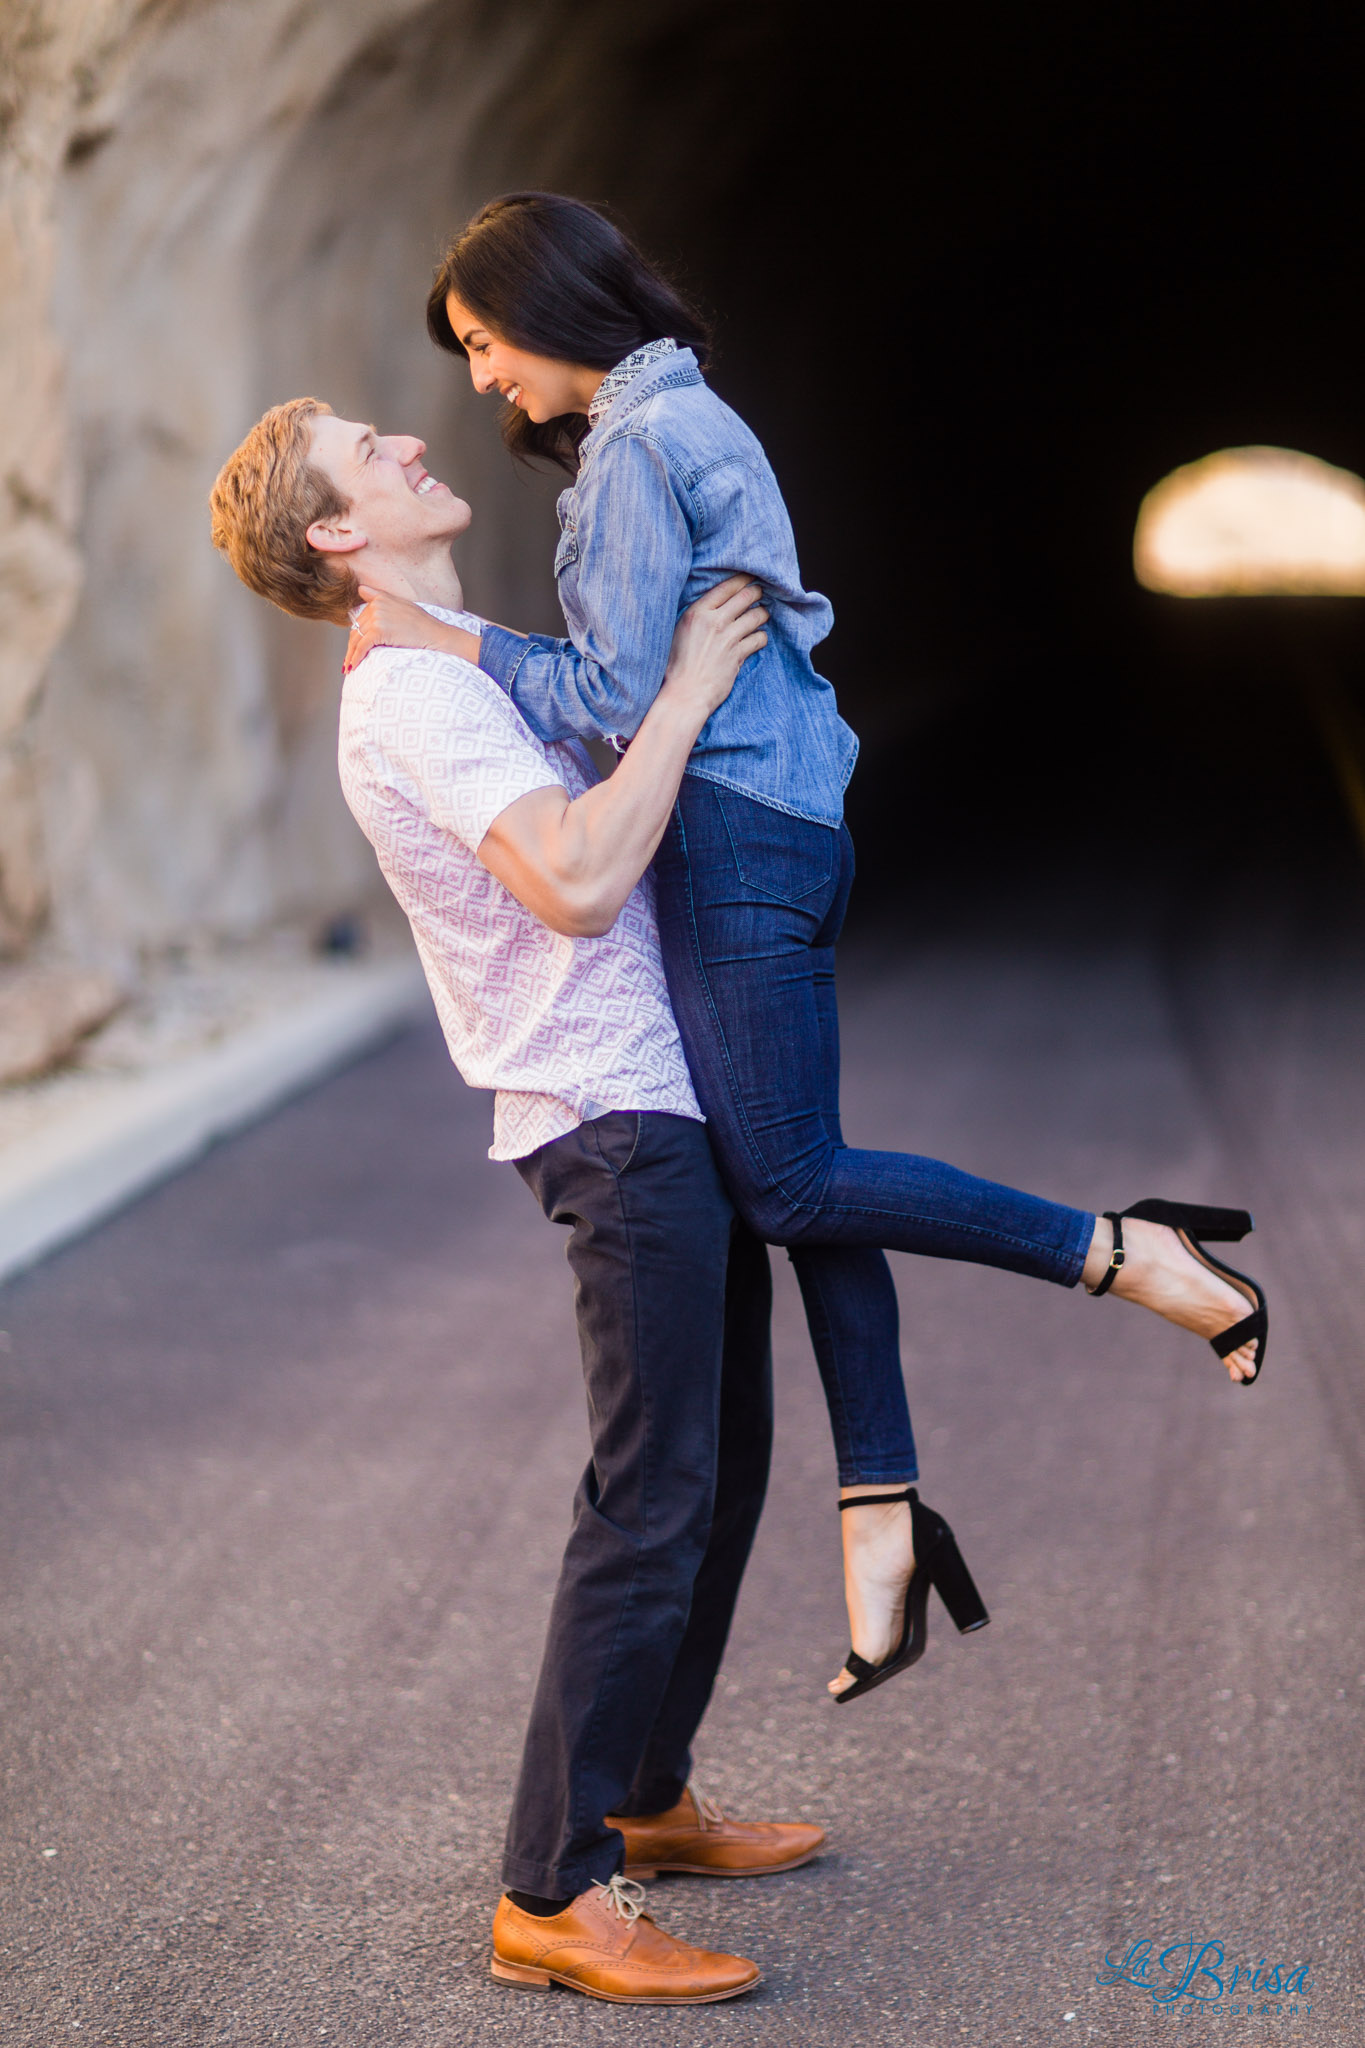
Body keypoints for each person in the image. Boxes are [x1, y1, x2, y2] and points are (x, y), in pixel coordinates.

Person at [342, 191, 1270, 1706]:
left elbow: (611, 690)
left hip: (730, 833)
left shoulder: (639, 448)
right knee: (807, 1170)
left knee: (782, 1178)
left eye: (481, 341)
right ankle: (883, 1521)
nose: (478, 381)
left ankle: (1128, 1255)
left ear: (550, 309)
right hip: (786, 826)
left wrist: (455, 645)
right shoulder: (680, 417)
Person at [209, 397, 828, 2005]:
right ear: (338, 535)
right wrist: (689, 691)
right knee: (648, 1496)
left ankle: (646, 1793)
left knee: (722, 1461)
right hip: (606, 1114)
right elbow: (567, 879)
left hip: (660, 1094)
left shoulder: (453, 645)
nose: (415, 441)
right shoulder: (411, 695)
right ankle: (550, 1890)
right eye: (371, 453)